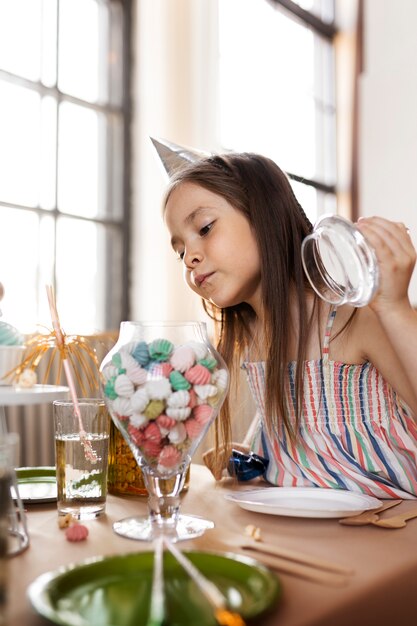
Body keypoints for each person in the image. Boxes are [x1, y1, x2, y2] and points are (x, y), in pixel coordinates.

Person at [162, 151, 417, 499]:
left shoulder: (352, 318)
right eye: (179, 251)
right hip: (307, 541)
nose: (190, 257)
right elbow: (309, 446)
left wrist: (396, 307)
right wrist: (251, 457)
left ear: (264, 214)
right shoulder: (255, 341)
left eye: (205, 228)